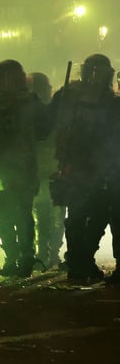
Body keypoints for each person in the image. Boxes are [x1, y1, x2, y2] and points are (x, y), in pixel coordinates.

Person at [0, 60, 50, 277]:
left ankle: (24, 257)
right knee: (3, 215)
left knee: (21, 214)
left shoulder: (27, 102)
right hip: (0, 169)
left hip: (20, 167)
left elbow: (44, 129)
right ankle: (14, 256)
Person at [51, 54, 117, 283]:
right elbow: (54, 121)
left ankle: (82, 262)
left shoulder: (111, 103)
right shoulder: (71, 99)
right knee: (78, 218)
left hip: (101, 169)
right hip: (77, 167)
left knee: (95, 217)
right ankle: (79, 266)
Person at [28, 72, 64, 270]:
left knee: (49, 216)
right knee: (46, 216)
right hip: (45, 170)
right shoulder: (54, 111)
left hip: (50, 170)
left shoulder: (54, 111)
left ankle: (47, 255)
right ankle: (47, 255)